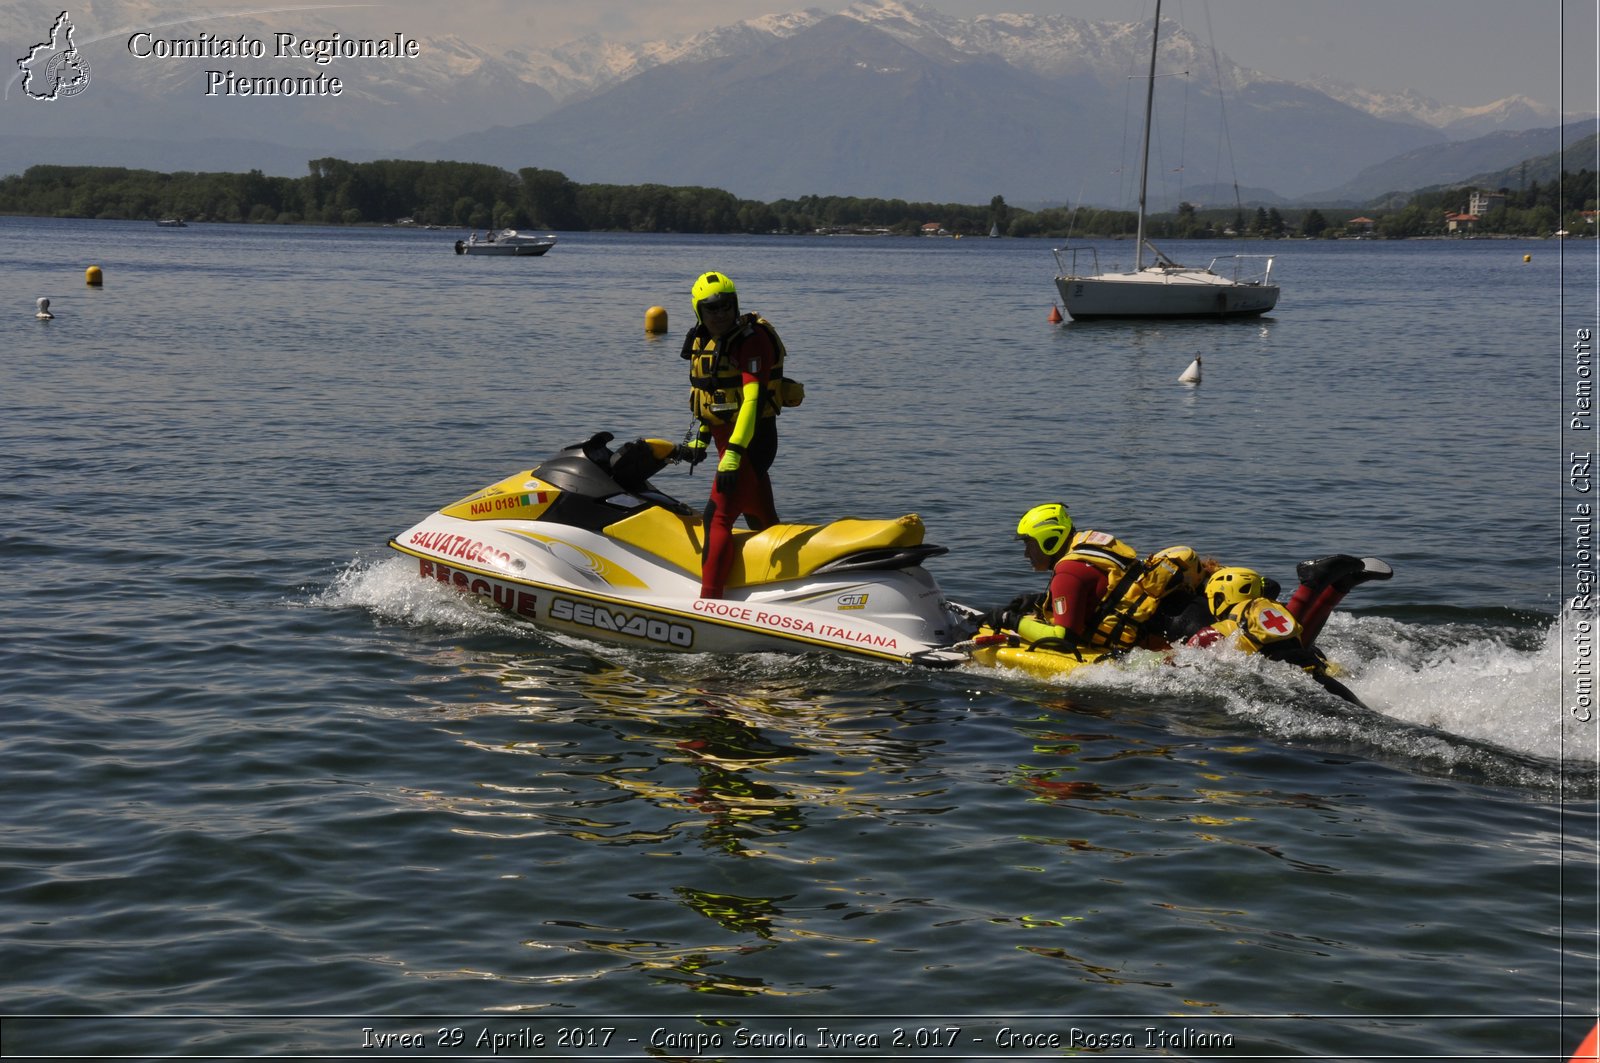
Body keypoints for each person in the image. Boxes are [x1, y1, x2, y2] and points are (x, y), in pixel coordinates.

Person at [679, 270, 794, 598]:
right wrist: (700, 438)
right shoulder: (704, 340)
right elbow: (713, 397)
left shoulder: (751, 340)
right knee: (760, 516)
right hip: (727, 443)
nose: (720, 314)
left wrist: (733, 453)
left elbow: (753, 402)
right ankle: (784, 590)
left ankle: (710, 602)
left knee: (716, 518)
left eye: (726, 306)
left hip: (751, 443)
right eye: (711, 308)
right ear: (698, 311)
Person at [1000, 503, 1143, 648]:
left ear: (1049, 541)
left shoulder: (1068, 572)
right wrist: (1040, 600)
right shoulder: (1084, 548)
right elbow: (1100, 594)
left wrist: (1008, 619)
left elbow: (1063, 639)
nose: (1026, 554)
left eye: (1029, 544)